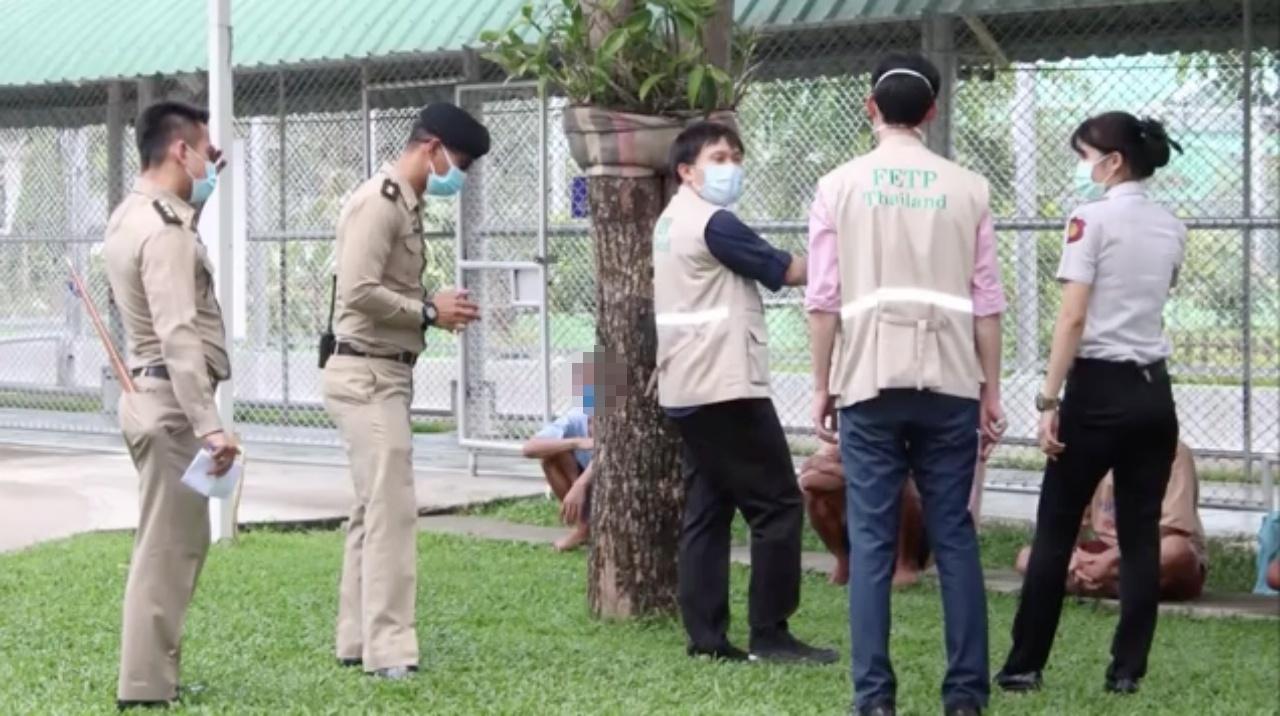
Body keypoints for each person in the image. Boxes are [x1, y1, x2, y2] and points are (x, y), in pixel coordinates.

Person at [806, 52, 1007, 716]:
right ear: (932, 111)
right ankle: (966, 696)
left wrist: (822, 383)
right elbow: (987, 302)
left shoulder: (837, 186)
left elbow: (823, 299)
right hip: (951, 381)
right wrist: (991, 390)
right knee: (955, 535)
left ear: (870, 107)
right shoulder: (969, 188)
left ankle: (874, 698)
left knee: (870, 542)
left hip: (867, 380)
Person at [996, 111, 1186, 697]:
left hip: (1098, 389)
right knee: (1140, 533)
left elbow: (1073, 316)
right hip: (1154, 392)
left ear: (1114, 161)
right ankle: (1127, 671)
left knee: (1056, 526)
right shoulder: (1171, 224)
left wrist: (1048, 398)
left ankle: (1025, 664)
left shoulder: (1090, 219)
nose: (1083, 167)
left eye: (1085, 156)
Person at [652, 121, 835, 665]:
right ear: (687, 171)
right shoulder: (715, 224)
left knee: (708, 509)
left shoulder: (670, 220)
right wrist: (850, 254)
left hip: (688, 384)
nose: (731, 166)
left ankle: (707, 637)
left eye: (736, 156)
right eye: (718, 157)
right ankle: (771, 635)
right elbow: (790, 270)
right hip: (725, 386)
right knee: (777, 506)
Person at [323, 103, 488, 680]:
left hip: (383, 372)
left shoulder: (406, 204)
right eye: (459, 162)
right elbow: (357, 290)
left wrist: (430, 309)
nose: (459, 175)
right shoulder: (380, 201)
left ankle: (356, 639)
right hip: (365, 375)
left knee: (372, 509)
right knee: (392, 512)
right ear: (432, 148)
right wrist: (428, 310)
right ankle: (390, 650)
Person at [102, 101, 239, 709]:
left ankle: (157, 677)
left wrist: (201, 195)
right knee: (167, 552)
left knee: (169, 544)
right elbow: (179, 331)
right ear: (181, 151)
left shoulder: (133, 214)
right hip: (173, 403)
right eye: (205, 152)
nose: (210, 163)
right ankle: (145, 688)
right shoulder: (165, 231)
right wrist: (210, 427)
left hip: (149, 392)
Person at [1014, 441, 1207, 601]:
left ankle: (1091, 584)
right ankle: (1111, 585)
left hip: (1149, 550)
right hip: (1105, 553)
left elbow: (1170, 529)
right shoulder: (1088, 451)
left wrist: (1110, 560)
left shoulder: (1173, 451)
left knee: (1176, 550)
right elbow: (1068, 523)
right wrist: (1073, 559)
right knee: (1027, 558)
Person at [800, 442, 986, 587]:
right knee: (815, 494)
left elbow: (894, 476)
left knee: (900, 484)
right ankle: (846, 562)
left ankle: (907, 564)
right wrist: (852, 474)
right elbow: (810, 477)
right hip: (868, 526)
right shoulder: (852, 420)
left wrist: (840, 471)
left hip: (926, 533)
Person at [522, 361, 596, 551]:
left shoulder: (623, 418)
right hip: (589, 485)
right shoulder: (577, 417)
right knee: (551, 457)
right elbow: (529, 449)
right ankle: (583, 527)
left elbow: (608, 456)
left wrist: (580, 485)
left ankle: (585, 529)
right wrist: (575, 442)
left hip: (614, 482)